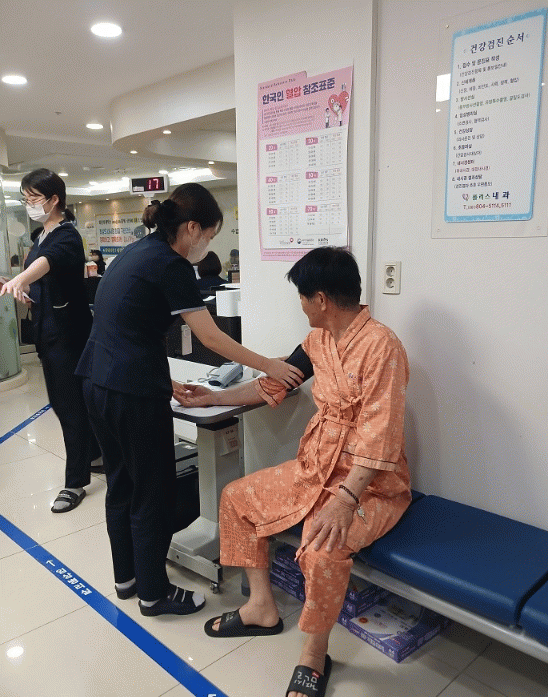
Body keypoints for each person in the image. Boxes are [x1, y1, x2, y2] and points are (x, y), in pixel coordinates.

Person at [177, 247, 411, 697]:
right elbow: (273, 384)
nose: (300, 305)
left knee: (323, 550)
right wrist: (211, 397)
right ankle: (261, 607)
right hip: (315, 466)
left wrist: (345, 500)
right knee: (237, 497)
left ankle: (315, 652)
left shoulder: (383, 347)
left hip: (370, 485)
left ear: (320, 299)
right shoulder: (317, 342)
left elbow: (381, 436)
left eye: (302, 297)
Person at [75, 183, 303, 618]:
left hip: (96, 381)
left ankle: (127, 579)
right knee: (152, 490)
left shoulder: (136, 253)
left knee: (121, 483)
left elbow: (125, 325)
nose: (208, 245)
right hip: (132, 392)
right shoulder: (171, 263)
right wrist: (270, 366)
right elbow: (211, 337)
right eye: (211, 235)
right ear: (193, 228)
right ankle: (154, 594)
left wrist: (164, 379)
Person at [0, 168, 102, 513]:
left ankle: (75, 482)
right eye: (25, 199)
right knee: (70, 403)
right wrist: (24, 288)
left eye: (34, 198)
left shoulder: (66, 235)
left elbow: (47, 263)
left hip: (68, 335)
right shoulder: (40, 235)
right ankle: (95, 455)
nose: (28, 204)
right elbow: (43, 278)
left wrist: (21, 279)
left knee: (69, 407)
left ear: (54, 199)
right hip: (48, 331)